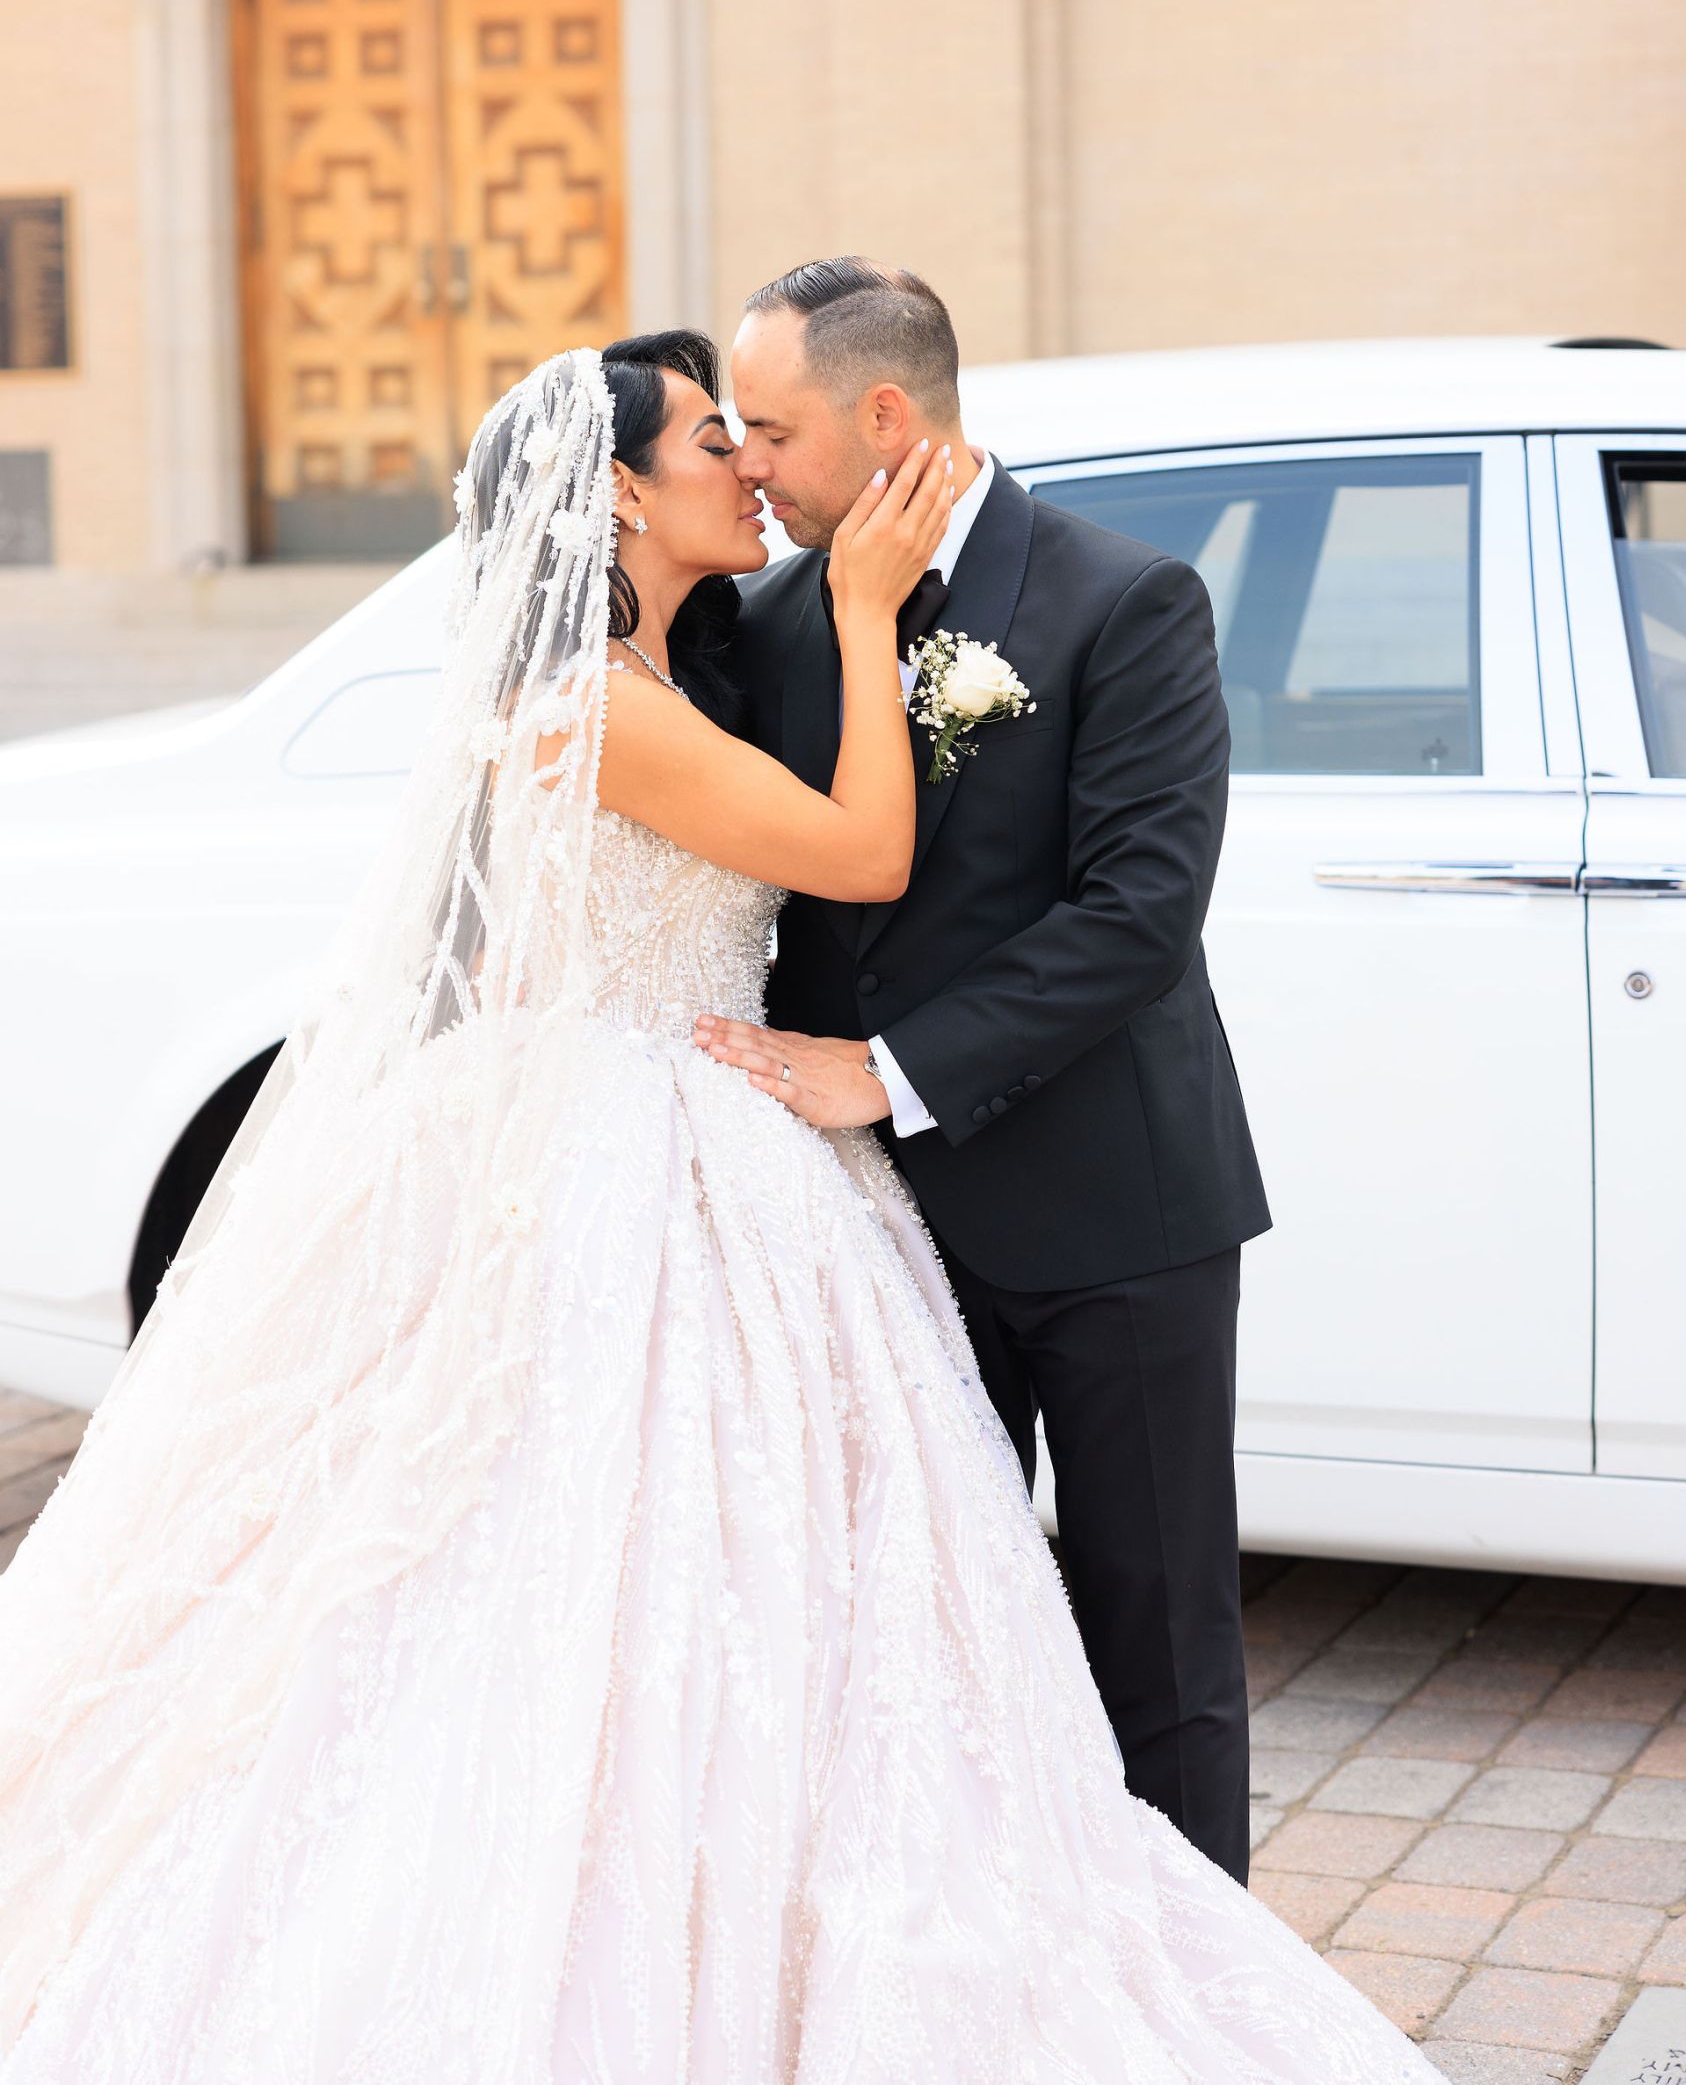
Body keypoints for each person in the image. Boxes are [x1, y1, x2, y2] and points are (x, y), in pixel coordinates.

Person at [0, 331, 1431, 2083]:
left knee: (895, 1618)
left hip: (823, 1167)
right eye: (709, 436)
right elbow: (857, 861)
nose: (747, 466)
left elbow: (1092, 899)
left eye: (763, 428)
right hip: (652, 1158)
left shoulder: (737, 652)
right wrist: (861, 614)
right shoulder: (618, 693)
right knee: (614, 1590)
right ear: (612, 489)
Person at [713, 256, 1268, 1882]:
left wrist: (884, 1069)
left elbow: (1140, 916)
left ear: (883, 417)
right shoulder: (762, 623)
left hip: (1117, 1217)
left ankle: (1198, 2007)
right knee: (919, 1643)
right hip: (877, 1232)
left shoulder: (1124, 599)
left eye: (772, 428)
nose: (749, 463)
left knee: (1157, 1649)